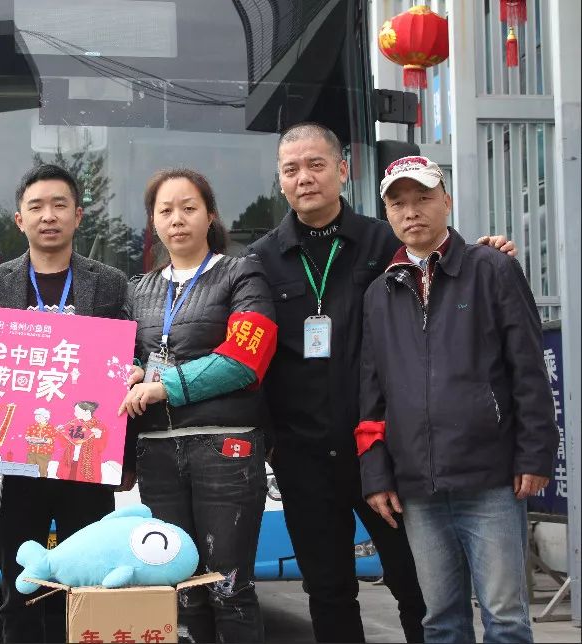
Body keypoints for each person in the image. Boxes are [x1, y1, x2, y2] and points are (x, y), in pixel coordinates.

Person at [245, 122, 516, 643]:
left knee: (416, 586)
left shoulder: (384, 238)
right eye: (291, 169)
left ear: (343, 170)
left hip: (385, 453)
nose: (305, 178)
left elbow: (442, 262)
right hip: (302, 459)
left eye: (317, 165)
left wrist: (490, 254)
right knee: (327, 591)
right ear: (280, 181)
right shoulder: (258, 259)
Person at [358, 156, 558, 643]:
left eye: (423, 197)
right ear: (387, 213)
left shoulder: (492, 269)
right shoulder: (380, 292)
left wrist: (535, 454)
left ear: (446, 201)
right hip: (418, 487)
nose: (412, 212)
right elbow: (372, 395)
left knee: (505, 616)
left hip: (490, 478)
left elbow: (528, 371)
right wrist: (376, 474)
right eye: (398, 202)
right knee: (440, 619)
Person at [0, 163, 128, 643]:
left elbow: (129, 360)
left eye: (60, 205)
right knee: (21, 589)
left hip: (87, 463)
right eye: (36, 207)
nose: (48, 216)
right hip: (18, 466)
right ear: (19, 220)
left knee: (93, 584)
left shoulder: (111, 283)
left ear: (79, 216)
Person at [119, 168, 277, 643]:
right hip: (158, 455)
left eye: (189, 208)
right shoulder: (137, 289)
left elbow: (247, 357)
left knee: (229, 587)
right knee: (180, 590)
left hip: (225, 450)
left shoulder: (242, 272)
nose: (177, 219)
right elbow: (127, 355)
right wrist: (128, 371)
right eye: (165, 211)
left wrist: (165, 386)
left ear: (210, 215)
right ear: (153, 221)